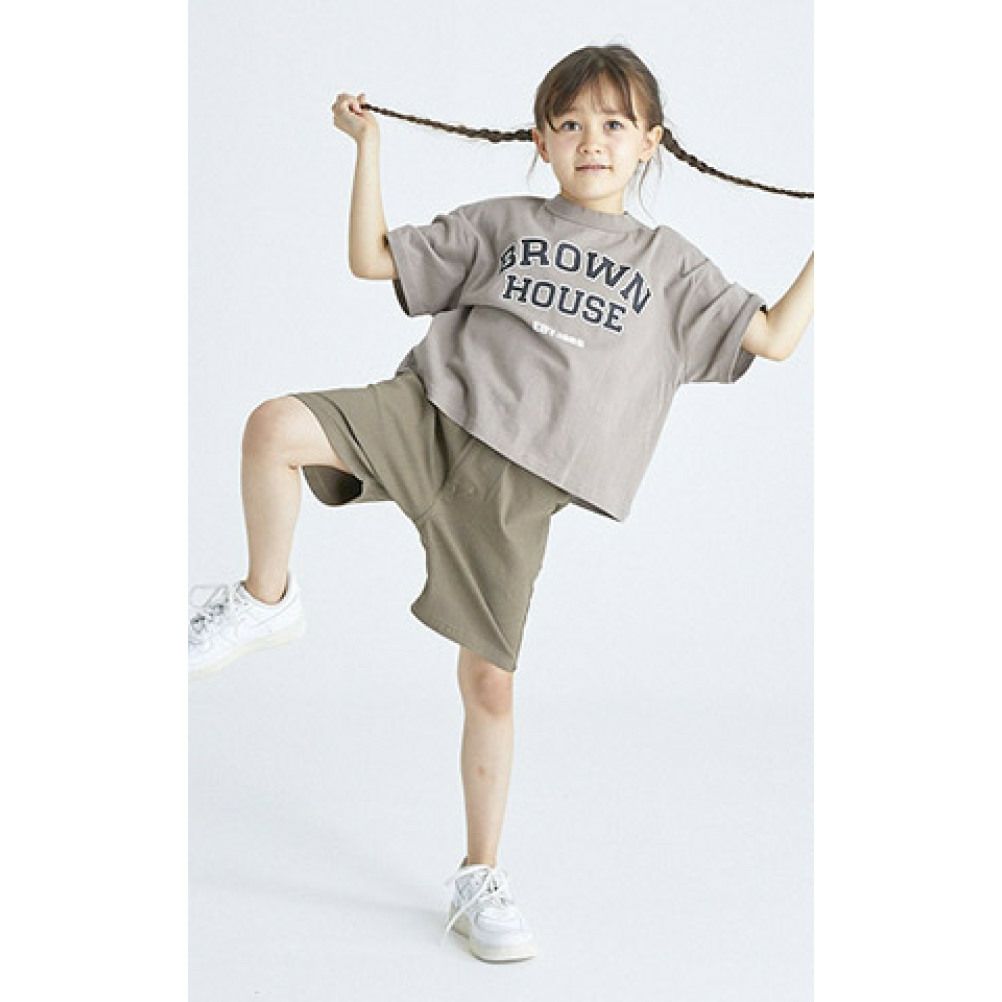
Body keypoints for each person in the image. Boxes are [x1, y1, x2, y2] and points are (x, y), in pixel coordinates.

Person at [188, 43, 814, 963]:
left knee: (489, 684)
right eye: (569, 124)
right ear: (539, 140)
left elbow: (774, 337)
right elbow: (371, 258)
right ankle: (263, 599)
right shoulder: (506, 223)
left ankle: (479, 873)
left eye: (613, 124)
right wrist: (366, 147)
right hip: (427, 417)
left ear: (651, 143)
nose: (591, 140)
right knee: (273, 426)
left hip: (512, 494)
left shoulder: (671, 268)